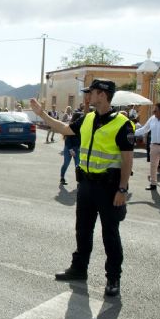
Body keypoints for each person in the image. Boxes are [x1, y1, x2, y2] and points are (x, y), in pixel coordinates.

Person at [30, 79, 134, 297]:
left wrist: (122, 190)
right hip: (86, 185)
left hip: (109, 188)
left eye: (91, 93)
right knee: (83, 230)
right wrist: (42, 114)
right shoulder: (87, 119)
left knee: (110, 235)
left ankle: (113, 278)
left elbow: (127, 160)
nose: (87, 96)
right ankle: (79, 269)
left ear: (103, 95)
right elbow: (65, 129)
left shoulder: (122, 124)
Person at [60, 112, 82, 185]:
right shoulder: (71, 126)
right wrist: (71, 149)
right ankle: (62, 178)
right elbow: (68, 139)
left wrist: (79, 147)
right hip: (69, 148)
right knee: (66, 163)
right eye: (80, 117)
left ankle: (79, 181)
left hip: (77, 148)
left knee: (78, 165)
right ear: (77, 118)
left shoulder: (81, 127)